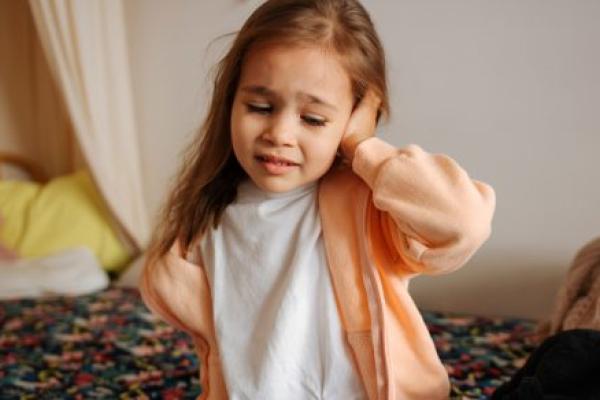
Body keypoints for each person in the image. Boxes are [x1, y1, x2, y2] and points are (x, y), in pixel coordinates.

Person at [139, 0, 496, 399]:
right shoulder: (209, 218)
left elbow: (463, 223)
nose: (280, 133)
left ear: (352, 118)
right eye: (260, 107)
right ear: (230, 101)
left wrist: (363, 145)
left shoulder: (368, 206)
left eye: (312, 119)